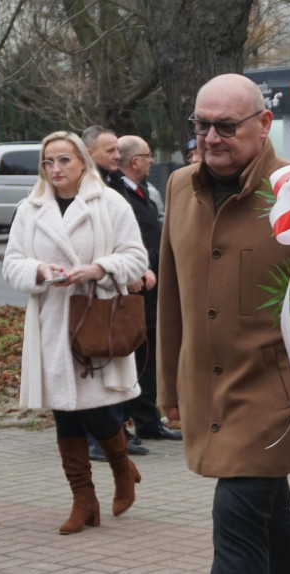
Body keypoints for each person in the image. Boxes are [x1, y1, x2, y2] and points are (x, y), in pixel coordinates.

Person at [156, 73, 290, 572]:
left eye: (225, 126)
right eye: (201, 125)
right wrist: (169, 388)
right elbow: (171, 298)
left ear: (264, 123)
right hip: (207, 386)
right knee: (272, 515)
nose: (209, 138)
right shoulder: (180, 187)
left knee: (237, 514)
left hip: (275, 393)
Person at [1, 130, 149, 535]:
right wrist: (39, 271)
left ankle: (122, 468)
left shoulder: (110, 203)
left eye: (64, 160)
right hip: (51, 320)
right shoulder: (30, 208)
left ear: (83, 161)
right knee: (64, 410)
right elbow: (11, 264)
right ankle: (83, 500)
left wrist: (100, 269)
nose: (55, 169)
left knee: (96, 406)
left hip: (96, 317)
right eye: (48, 162)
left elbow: (136, 257)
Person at [80, 124, 149, 459]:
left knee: (116, 360)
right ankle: (98, 438)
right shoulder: (78, 191)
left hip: (113, 288)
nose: (117, 156)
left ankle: (116, 431)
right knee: (94, 364)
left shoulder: (110, 185)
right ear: (89, 152)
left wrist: (132, 267)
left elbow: (122, 237)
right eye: (110, 151)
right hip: (86, 295)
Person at [114, 135, 180, 442]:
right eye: (147, 155)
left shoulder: (142, 194)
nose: (151, 160)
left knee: (149, 356)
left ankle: (148, 420)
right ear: (133, 161)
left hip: (153, 287)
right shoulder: (119, 196)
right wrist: (142, 265)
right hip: (135, 287)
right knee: (137, 357)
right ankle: (129, 420)